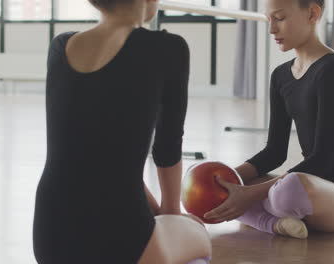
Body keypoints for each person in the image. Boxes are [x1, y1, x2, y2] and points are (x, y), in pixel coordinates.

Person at [32, 0, 212, 263]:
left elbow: (95, 152)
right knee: (199, 235)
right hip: (121, 240)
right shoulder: (168, 48)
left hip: (50, 237)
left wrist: (153, 210)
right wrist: (171, 212)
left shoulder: (60, 46)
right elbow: (167, 145)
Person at [204, 0, 334, 239]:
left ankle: (263, 216)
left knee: (288, 189)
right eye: (269, 20)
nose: (271, 30)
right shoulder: (280, 76)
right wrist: (224, 178)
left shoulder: (333, 71)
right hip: (307, 187)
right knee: (228, 189)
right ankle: (274, 224)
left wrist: (249, 195)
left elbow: (322, 159)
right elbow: (274, 152)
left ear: (312, 14)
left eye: (279, 19)